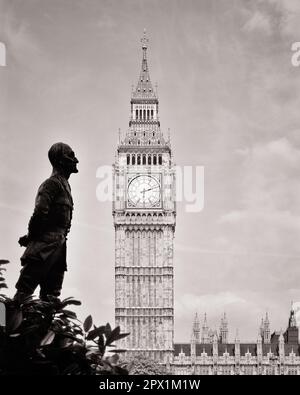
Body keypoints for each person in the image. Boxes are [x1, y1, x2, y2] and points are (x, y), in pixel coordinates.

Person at [14, 142, 79, 302]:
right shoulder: (51, 184)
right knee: (22, 294)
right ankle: (6, 325)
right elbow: (39, 213)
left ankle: (43, 326)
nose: (75, 160)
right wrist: (31, 237)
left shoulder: (66, 187)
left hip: (59, 248)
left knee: (51, 300)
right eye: (71, 156)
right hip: (43, 247)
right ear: (60, 160)